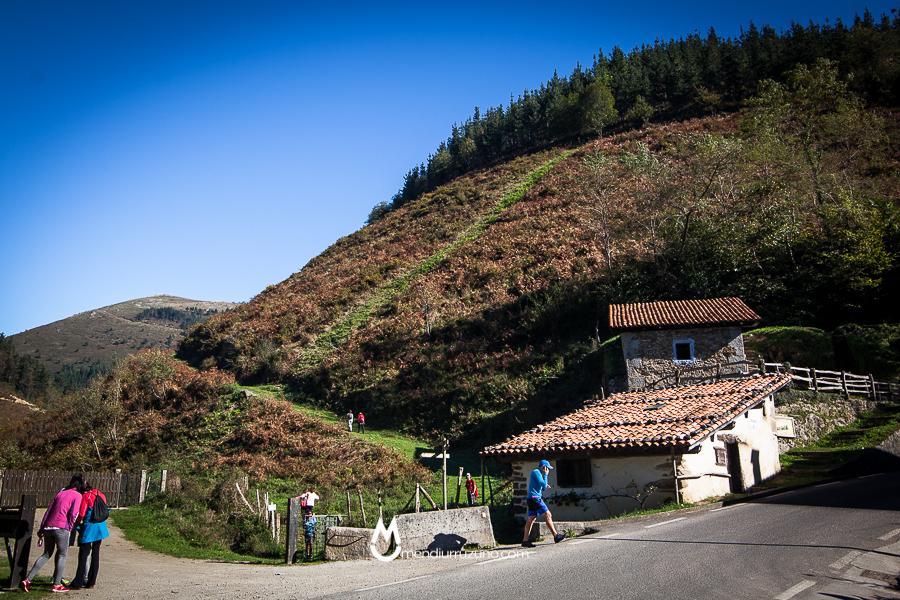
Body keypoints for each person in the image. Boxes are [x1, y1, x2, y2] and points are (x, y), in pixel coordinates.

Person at [22, 474, 84, 593]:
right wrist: (70, 527)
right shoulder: (77, 495)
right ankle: (56, 583)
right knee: (62, 555)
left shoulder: (60, 493)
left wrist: (42, 528)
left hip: (49, 526)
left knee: (46, 554)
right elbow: (73, 513)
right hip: (62, 527)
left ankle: (28, 579)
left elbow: (48, 510)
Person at [70, 483, 110, 590]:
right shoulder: (101, 494)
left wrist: (76, 523)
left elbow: (82, 513)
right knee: (95, 554)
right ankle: (92, 581)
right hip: (100, 527)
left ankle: (78, 582)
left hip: (89, 527)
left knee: (83, 554)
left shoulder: (86, 496)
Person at [521, 460, 565, 547]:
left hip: (532, 498)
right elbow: (544, 485)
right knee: (548, 514)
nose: (548, 470)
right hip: (535, 498)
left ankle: (525, 541)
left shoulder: (538, 474)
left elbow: (543, 488)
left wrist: (544, 481)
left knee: (531, 519)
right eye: (547, 468)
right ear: (544, 467)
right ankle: (556, 536)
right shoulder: (536, 472)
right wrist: (546, 475)